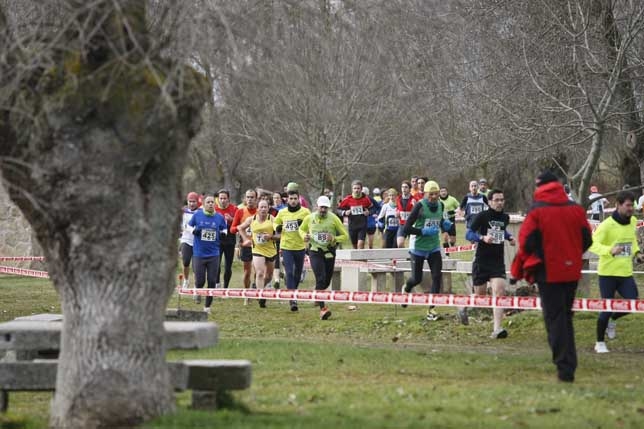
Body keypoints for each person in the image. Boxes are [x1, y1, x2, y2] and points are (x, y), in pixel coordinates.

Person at [511, 171, 592, 382]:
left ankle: (564, 368)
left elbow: (526, 241)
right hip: (572, 270)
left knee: (555, 319)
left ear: (539, 186)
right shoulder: (575, 209)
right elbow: (587, 239)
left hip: (548, 271)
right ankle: (569, 363)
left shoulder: (537, 211)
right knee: (566, 317)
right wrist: (572, 255)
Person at [589, 191, 644, 353]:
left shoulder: (633, 221)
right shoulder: (606, 225)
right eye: (627, 206)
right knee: (606, 306)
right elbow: (592, 244)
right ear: (618, 205)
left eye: (632, 206)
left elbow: (631, 240)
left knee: (633, 303)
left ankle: (613, 319)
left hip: (625, 273)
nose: (630, 209)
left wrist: (637, 253)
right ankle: (599, 342)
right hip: (608, 273)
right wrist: (610, 250)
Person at [465, 189, 516, 337]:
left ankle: (497, 329)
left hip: (497, 262)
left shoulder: (505, 217)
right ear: (490, 201)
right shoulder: (482, 216)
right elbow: (469, 233)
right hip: (482, 260)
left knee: (500, 290)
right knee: (480, 297)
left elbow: (501, 230)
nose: (500, 202)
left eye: (502, 199)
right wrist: (482, 238)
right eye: (497, 200)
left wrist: (509, 237)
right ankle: (462, 306)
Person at [401, 181, 453, 321]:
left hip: (434, 247)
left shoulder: (441, 205)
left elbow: (440, 219)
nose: (435, 197)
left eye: (436, 194)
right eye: (431, 194)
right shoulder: (420, 206)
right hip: (418, 247)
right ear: (425, 194)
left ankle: (432, 308)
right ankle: (406, 288)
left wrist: (444, 224)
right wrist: (422, 231)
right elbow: (406, 228)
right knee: (417, 278)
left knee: (437, 276)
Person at [300, 196, 349, 320]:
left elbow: (345, 235)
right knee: (320, 279)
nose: (323, 210)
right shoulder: (309, 218)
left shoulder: (334, 219)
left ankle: (317, 294)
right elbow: (301, 229)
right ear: (317, 207)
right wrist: (304, 236)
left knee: (326, 281)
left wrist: (334, 239)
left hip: (329, 252)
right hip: (315, 251)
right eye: (321, 207)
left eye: (325, 208)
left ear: (328, 208)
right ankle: (323, 309)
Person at [188, 194, 228, 314]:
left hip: (214, 254)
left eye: (212, 202)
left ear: (214, 204)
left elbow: (224, 228)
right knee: (200, 281)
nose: (210, 204)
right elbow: (188, 226)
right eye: (208, 202)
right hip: (199, 253)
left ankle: (207, 307)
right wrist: (194, 231)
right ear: (204, 204)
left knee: (211, 280)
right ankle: (198, 290)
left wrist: (223, 234)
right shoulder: (197, 215)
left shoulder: (219, 217)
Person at [274, 190, 311, 312]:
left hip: (300, 247)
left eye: (295, 198)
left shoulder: (305, 212)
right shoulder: (282, 212)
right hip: (286, 247)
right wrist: (278, 227)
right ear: (287, 200)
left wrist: (304, 227)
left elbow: (312, 224)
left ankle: (291, 290)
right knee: (289, 272)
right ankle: (292, 300)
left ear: (298, 199)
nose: (293, 201)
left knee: (297, 275)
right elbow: (276, 223)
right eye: (291, 198)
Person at [238, 199, 278, 308]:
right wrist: (245, 239)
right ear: (258, 209)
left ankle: (260, 288)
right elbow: (240, 228)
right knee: (259, 273)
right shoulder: (252, 219)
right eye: (261, 207)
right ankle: (261, 297)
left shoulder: (273, 219)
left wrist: (271, 237)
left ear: (268, 208)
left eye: (265, 207)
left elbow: (280, 235)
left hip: (271, 250)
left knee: (268, 276)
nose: (263, 209)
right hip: (257, 249)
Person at [230, 189, 259, 292]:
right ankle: (246, 293)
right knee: (247, 272)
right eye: (248, 197)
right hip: (246, 245)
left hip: (259, 246)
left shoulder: (261, 211)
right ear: (245, 199)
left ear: (256, 199)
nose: (250, 199)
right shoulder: (240, 211)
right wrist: (240, 228)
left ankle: (256, 289)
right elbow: (232, 229)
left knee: (258, 271)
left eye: (252, 197)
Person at [336, 180, 373, 249]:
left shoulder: (366, 199)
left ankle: (361, 259)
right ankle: (359, 259)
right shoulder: (347, 199)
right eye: (355, 188)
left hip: (362, 225)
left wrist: (369, 212)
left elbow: (372, 208)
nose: (356, 190)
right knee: (355, 246)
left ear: (361, 189)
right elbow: (338, 210)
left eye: (358, 188)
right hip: (352, 225)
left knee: (360, 244)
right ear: (352, 189)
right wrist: (344, 212)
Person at [215, 189, 237, 289]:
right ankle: (217, 284)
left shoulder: (234, 209)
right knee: (216, 265)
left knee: (228, 267)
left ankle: (226, 287)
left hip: (230, 240)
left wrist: (231, 220)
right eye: (221, 198)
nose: (223, 200)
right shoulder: (214, 209)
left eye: (225, 198)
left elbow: (239, 225)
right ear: (218, 199)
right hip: (218, 240)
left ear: (228, 199)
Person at [180, 192, 199, 290]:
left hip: (197, 242)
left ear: (197, 202)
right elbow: (183, 226)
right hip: (186, 240)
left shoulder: (201, 212)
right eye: (190, 201)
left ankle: (196, 285)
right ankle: (186, 280)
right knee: (186, 261)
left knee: (196, 266)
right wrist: (191, 230)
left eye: (194, 202)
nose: (192, 204)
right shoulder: (184, 212)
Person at [438, 186, 460, 253]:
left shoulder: (452, 199)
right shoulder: (437, 200)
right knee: (445, 237)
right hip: (442, 220)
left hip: (451, 220)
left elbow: (459, 207)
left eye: (444, 191)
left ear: (447, 192)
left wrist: (453, 211)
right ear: (439, 193)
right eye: (441, 191)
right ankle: (447, 254)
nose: (443, 193)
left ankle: (452, 245)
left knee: (453, 240)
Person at [396, 180, 416, 248]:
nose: (404, 189)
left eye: (406, 187)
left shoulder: (414, 199)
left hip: (412, 224)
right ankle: (406, 257)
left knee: (413, 245)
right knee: (400, 244)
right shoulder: (398, 198)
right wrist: (397, 213)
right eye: (402, 187)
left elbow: (419, 212)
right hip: (402, 224)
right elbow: (398, 208)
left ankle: (411, 257)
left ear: (410, 189)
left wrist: (415, 205)